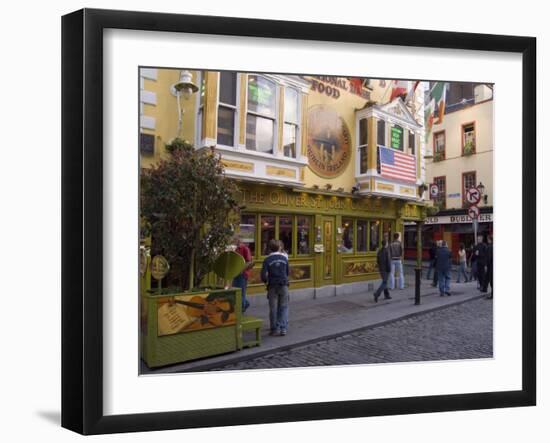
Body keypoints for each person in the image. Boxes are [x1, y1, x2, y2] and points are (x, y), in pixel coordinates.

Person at [261, 239, 290, 336]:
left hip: (272, 285)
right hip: (283, 284)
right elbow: (287, 272)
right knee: (284, 307)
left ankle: (274, 329)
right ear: (279, 247)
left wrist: (266, 281)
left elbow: (263, 276)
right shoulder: (284, 259)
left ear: (270, 249)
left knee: (273, 308)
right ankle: (283, 328)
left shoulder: (267, 260)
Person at [232, 237, 254, 313]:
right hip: (235, 273)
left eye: (234, 239)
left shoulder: (245, 249)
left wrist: (241, 270)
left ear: (239, 240)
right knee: (235, 292)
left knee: (241, 292)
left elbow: (249, 262)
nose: (233, 241)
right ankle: (245, 304)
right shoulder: (234, 249)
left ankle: (241, 310)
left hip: (242, 274)